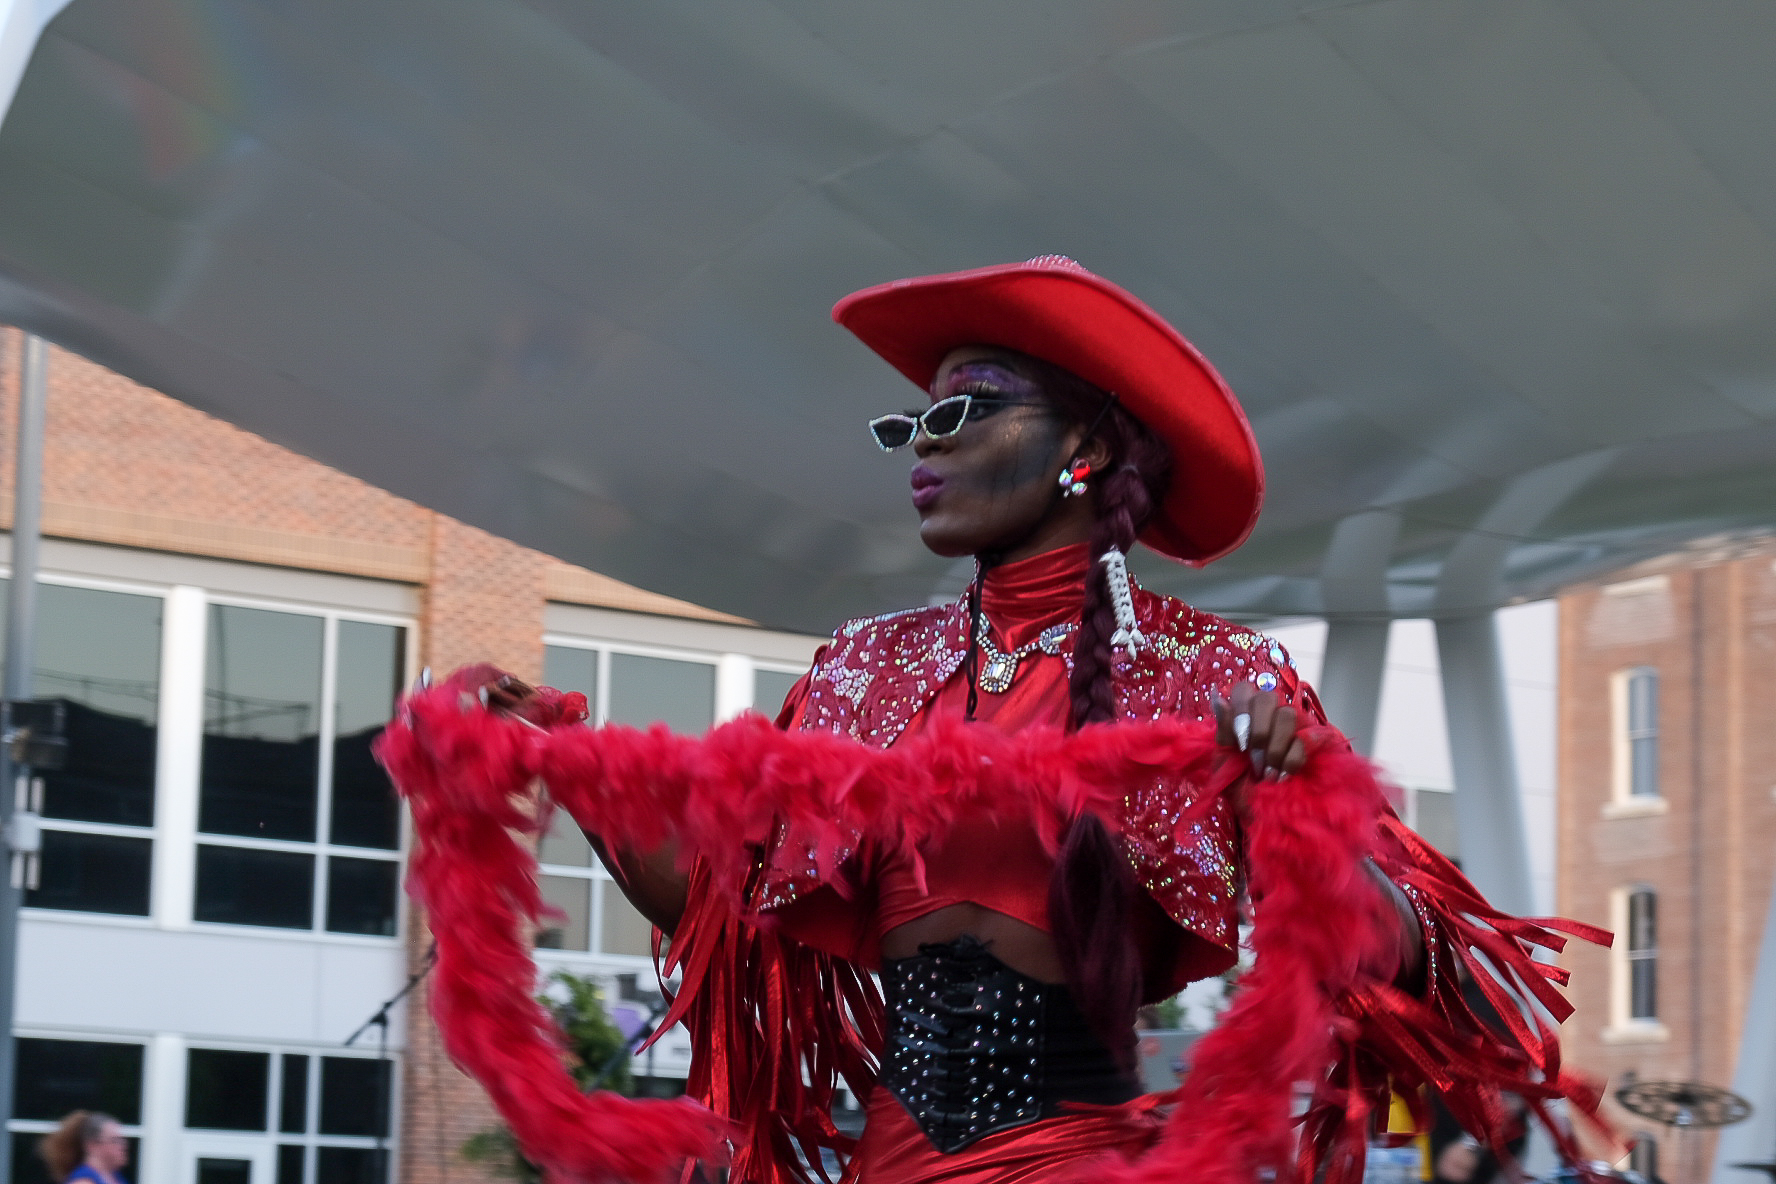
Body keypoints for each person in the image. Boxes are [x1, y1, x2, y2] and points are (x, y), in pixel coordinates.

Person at [387, 257, 1609, 1184]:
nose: (921, 445)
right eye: (909, 421)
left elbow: (1418, 960)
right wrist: (542, 750)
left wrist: (1296, 808)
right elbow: (718, 906)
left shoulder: (1208, 675)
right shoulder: (867, 667)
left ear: (1083, 443)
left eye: (961, 410)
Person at [38, 1111, 129, 1184]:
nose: (123, 1146)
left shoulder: (116, 1177)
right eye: (115, 1140)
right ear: (92, 1145)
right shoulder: (82, 1181)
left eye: (122, 1140)